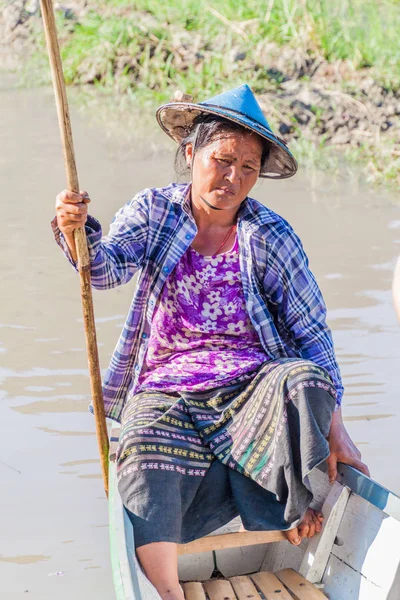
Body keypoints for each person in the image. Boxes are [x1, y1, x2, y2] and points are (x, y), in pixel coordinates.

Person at [53, 84, 369, 600]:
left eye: (248, 167)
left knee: (304, 381)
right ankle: (168, 588)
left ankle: (287, 509)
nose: (233, 178)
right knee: (139, 433)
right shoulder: (155, 212)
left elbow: (313, 337)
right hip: (168, 385)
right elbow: (104, 269)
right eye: (222, 160)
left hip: (249, 387)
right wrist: (76, 230)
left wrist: (338, 432)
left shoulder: (270, 235)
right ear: (190, 153)